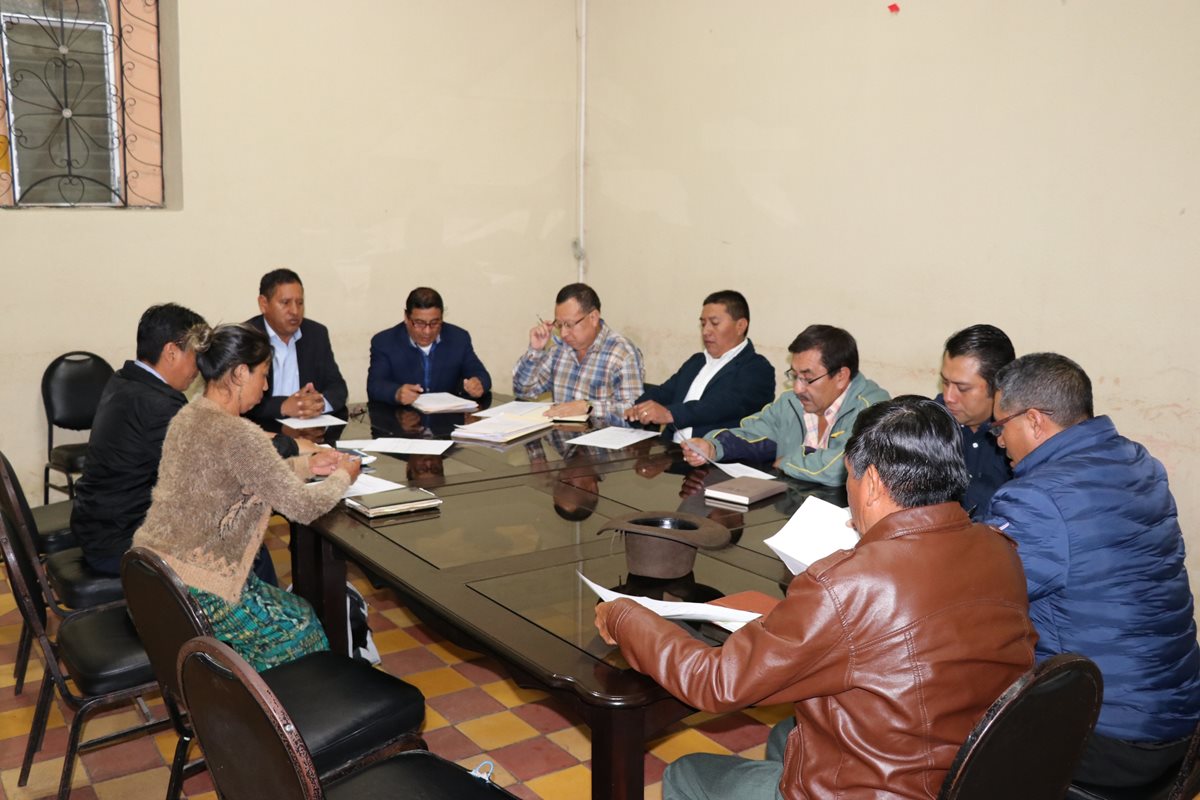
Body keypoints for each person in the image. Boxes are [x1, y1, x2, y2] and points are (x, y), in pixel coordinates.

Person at [596, 396, 1036, 799]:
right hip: (966, 775)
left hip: (878, 788)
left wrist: (624, 616)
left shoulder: (848, 583)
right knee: (783, 735)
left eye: (850, 477)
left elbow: (716, 683)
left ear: (875, 484)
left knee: (687, 774)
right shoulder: (1000, 549)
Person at [983, 353, 1200, 788]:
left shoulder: (1039, 499)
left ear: (1034, 420)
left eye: (1000, 426)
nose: (999, 442)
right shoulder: (1139, 463)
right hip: (1180, 717)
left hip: (1107, 734)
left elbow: (972, 590)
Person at [133, 323, 362, 672]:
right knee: (302, 629)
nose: (266, 386)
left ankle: (247, 698)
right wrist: (345, 475)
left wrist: (309, 465)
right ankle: (282, 714)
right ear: (240, 373)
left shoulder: (189, 415)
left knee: (298, 610)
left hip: (154, 573)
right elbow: (304, 507)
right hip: (199, 589)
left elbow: (249, 476)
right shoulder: (239, 434)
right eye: (264, 374)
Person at [70, 303, 207, 575]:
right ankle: (258, 615)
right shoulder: (157, 405)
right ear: (171, 352)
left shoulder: (124, 381)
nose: (198, 367)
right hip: (120, 543)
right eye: (196, 355)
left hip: (99, 528)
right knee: (233, 540)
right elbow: (209, 460)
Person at [682, 324, 888, 486]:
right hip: (792, 509)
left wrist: (788, 461)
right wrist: (712, 447)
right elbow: (753, 433)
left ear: (841, 376)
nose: (798, 388)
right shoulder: (791, 402)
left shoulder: (873, 410)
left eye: (808, 378)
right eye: (794, 376)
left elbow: (844, 468)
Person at [624, 290, 774, 440]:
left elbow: (718, 406)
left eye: (715, 323)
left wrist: (669, 414)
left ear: (740, 326)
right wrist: (639, 408)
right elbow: (665, 392)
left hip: (715, 458)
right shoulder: (697, 362)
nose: (706, 331)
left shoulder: (757, 369)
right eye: (703, 324)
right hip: (671, 451)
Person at [512, 282, 644, 425]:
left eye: (569, 325)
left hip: (602, 443)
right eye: (559, 325)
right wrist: (535, 350)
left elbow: (633, 411)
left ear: (593, 318)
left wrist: (588, 407)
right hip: (563, 439)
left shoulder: (622, 353)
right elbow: (523, 391)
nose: (563, 333)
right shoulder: (559, 350)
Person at [245, 268, 348, 421]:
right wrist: (283, 406)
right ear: (263, 303)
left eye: (300, 303)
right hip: (261, 431)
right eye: (285, 303)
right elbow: (237, 398)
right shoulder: (246, 338)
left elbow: (337, 387)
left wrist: (318, 404)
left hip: (307, 429)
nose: (295, 311)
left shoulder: (316, 334)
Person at [936, 324, 1015, 515]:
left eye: (962, 388)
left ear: (998, 388)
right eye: (945, 383)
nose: (949, 397)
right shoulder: (933, 421)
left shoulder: (1018, 436)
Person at [367, 286, 491, 405]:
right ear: (406, 317)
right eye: (419, 323)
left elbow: (481, 374)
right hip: (401, 419)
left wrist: (478, 383)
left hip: (446, 420)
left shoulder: (458, 338)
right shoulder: (385, 342)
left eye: (434, 323)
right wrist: (397, 393)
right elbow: (375, 385)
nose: (427, 331)